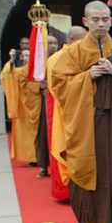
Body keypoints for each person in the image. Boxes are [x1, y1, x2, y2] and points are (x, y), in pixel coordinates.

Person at [50, 1, 112, 223]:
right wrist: (86, 76)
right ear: (85, 21)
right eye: (95, 19)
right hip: (87, 126)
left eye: (105, 19)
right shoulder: (72, 53)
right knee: (89, 176)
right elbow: (58, 85)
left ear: (111, 21)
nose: (101, 24)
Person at [46, 27, 86, 200]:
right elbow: (57, 87)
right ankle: (64, 190)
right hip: (62, 108)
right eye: (83, 40)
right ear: (71, 40)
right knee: (62, 146)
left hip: (79, 109)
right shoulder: (57, 59)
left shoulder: (80, 56)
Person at [16, 46, 51, 177]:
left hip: (56, 101)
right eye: (49, 43)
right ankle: (43, 165)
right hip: (40, 104)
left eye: (53, 43)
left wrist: (51, 85)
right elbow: (23, 84)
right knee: (42, 134)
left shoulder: (60, 58)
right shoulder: (29, 68)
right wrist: (39, 86)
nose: (52, 46)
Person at [0, 43, 36, 164]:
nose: (26, 58)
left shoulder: (38, 70)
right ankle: (31, 158)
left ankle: (40, 157)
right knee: (25, 134)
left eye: (28, 56)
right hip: (22, 105)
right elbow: (7, 75)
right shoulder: (19, 71)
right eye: (24, 56)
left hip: (35, 103)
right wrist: (11, 60)